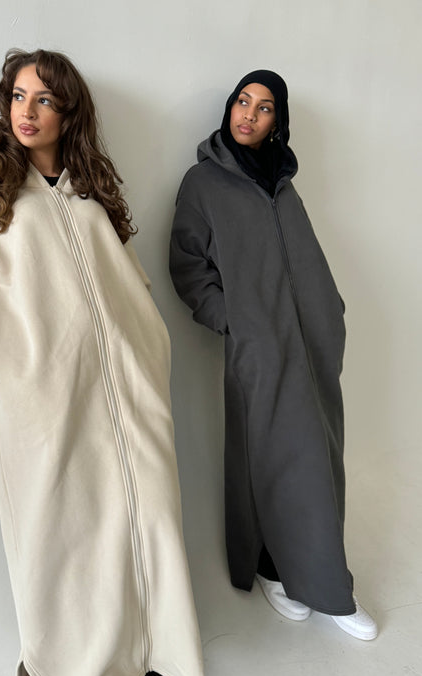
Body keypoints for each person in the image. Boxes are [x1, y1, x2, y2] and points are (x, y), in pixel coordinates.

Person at [0, 49, 207, 676]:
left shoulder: (91, 190)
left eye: (45, 99)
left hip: (131, 392)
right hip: (45, 408)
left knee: (146, 521)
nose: (27, 111)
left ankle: (148, 658)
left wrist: (148, 347)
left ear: (68, 111)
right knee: (63, 539)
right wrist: (7, 364)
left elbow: (129, 280)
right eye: (18, 96)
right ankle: (72, 674)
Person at [169, 70, 377, 641]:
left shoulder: (283, 183)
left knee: (319, 458)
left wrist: (330, 311)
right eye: (243, 101)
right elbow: (187, 264)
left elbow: (301, 257)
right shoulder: (203, 183)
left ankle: (294, 572)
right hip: (260, 348)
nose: (249, 114)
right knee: (274, 459)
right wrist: (233, 322)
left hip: (313, 346)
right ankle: (308, 582)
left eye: (264, 108)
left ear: (276, 123)